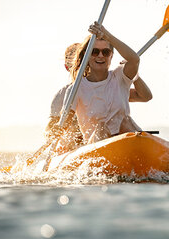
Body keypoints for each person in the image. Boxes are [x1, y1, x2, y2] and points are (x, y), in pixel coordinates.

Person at [49, 22, 151, 151]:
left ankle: (143, 152)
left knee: (126, 121)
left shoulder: (119, 77)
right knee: (101, 127)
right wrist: (58, 128)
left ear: (111, 56)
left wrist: (107, 35)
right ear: (86, 56)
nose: (100, 56)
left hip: (124, 141)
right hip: (95, 145)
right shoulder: (74, 90)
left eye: (106, 52)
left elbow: (134, 59)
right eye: (94, 52)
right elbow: (66, 120)